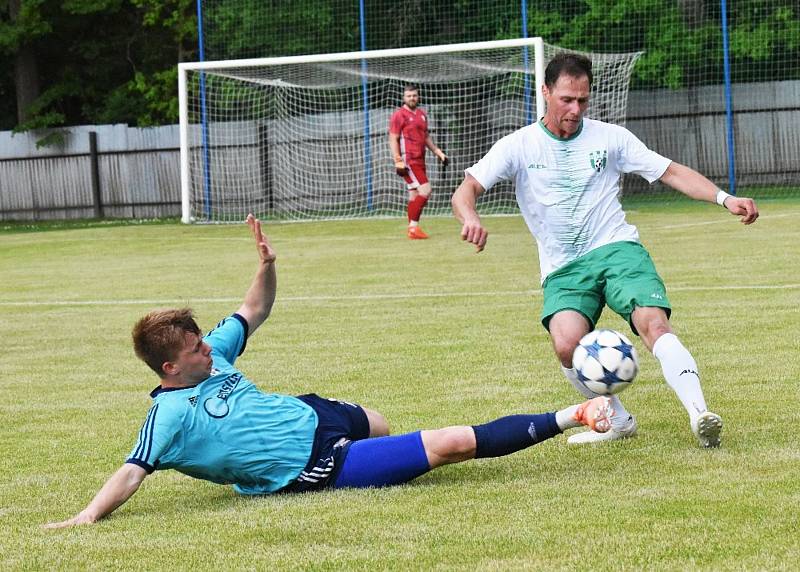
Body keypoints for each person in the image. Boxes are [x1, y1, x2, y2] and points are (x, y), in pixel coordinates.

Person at [45, 214, 616, 529]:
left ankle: (369, 444)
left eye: (204, 341)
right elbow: (132, 470)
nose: (209, 350)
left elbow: (254, 309)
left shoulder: (214, 352)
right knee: (445, 445)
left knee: (381, 423)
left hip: (312, 412)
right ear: (171, 367)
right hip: (313, 466)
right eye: (197, 350)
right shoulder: (167, 415)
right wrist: (87, 516)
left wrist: (266, 265)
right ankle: (576, 414)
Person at [451, 53, 759, 448]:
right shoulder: (518, 145)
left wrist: (723, 197)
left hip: (616, 247)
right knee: (565, 344)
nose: (575, 109)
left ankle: (700, 413)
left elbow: (671, 171)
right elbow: (466, 191)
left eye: (582, 100)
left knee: (654, 322)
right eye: (566, 99)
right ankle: (618, 420)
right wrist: (470, 218)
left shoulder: (611, 137)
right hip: (564, 267)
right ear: (545, 92)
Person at [389, 84, 449, 239]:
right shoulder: (399, 115)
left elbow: (426, 136)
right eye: (409, 96)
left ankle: (412, 230)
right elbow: (393, 138)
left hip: (421, 160)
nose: (412, 98)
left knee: (414, 195)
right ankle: (413, 227)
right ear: (404, 97)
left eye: (414, 95)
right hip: (409, 160)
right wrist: (397, 159)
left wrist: (438, 152)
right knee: (426, 190)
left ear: (418, 96)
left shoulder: (422, 114)